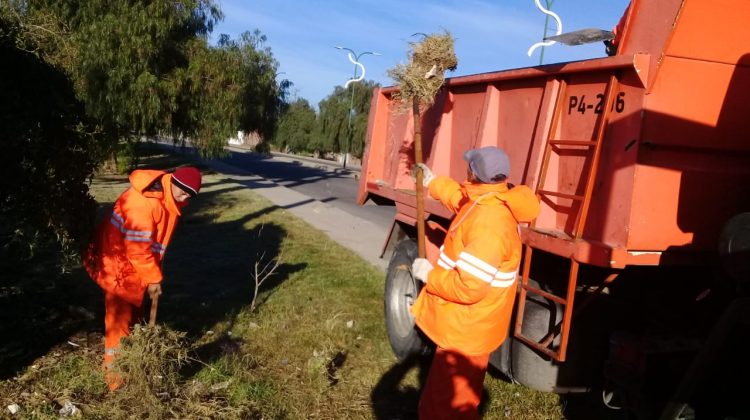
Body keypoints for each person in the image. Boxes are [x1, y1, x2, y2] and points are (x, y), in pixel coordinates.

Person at [410, 146, 540, 419]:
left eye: (469, 167)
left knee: (447, 408)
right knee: (446, 401)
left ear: (474, 173)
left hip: (467, 333)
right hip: (467, 327)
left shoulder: (489, 225)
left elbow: (469, 287)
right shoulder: (489, 199)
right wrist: (433, 181)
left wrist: (429, 275)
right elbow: (459, 197)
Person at [83, 166, 202, 390]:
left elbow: (152, 243)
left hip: (134, 267)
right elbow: (137, 249)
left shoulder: (166, 198)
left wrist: (151, 276)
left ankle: (134, 362)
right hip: (119, 267)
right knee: (119, 324)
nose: (185, 198)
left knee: (135, 319)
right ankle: (116, 382)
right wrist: (154, 278)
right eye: (184, 192)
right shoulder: (144, 203)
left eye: (190, 196)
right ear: (173, 181)